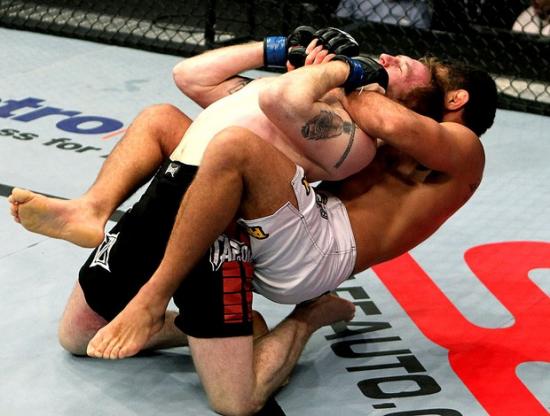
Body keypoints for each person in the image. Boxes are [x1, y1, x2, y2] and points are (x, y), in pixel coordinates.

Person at [9, 33, 497, 416]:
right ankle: (93, 211)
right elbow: (203, 82)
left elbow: (387, 121)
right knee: (165, 123)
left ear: (455, 97)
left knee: (235, 148)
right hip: (294, 215)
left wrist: (349, 71)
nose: (392, 62)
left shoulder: (462, 149)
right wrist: (292, 57)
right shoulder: (380, 123)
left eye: (423, 69)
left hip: (322, 251)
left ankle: (293, 315)